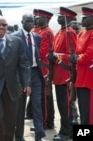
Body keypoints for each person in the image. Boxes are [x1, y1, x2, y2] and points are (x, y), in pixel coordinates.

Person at [12, 13, 46, 141]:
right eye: (28, 21)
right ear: (22, 22)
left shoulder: (37, 37)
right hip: (21, 76)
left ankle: (39, 134)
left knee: (37, 104)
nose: (31, 23)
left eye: (32, 21)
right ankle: (19, 136)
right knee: (20, 107)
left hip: (35, 73)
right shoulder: (15, 37)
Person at [48, 7, 77, 141]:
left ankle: (67, 132)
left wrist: (57, 57)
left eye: (60, 16)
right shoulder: (60, 32)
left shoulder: (69, 32)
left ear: (67, 18)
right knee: (61, 104)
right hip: (58, 74)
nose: (58, 17)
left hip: (65, 74)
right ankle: (64, 130)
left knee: (65, 106)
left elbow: (72, 54)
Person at [68, 7, 93, 125]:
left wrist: (76, 58)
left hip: (89, 76)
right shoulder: (82, 33)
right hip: (80, 75)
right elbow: (78, 51)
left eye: (85, 18)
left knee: (88, 111)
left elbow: (89, 54)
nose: (82, 20)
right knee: (83, 109)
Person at [32, 9, 55, 130]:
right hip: (40, 67)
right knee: (41, 98)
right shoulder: (41, 31)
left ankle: (45, 122)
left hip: (44, 69)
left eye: (38, 17)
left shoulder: (47, 33)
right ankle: (44, 121)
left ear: (46, 19)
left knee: (44, 98)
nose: (36, 19)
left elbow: (43, 52)